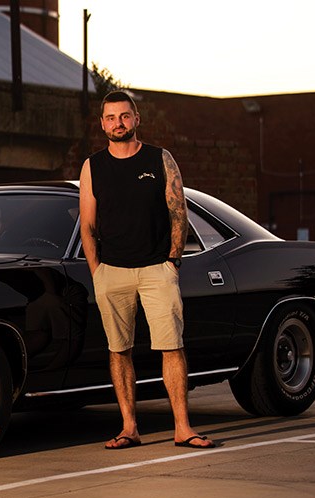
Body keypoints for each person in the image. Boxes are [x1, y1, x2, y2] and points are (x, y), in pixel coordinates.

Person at [78, 91, 215, 450]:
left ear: (136, 119)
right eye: (110, 118)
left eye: (124, 116)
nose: (117, 123)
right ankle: (129, 428)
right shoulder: (93, 166)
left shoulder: (160, 159)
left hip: (157, 269)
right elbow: (87, 226)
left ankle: (183, 428)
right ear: (102, 123)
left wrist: (172, 261)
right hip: (112, 273)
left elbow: (178, 212)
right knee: (119, 350)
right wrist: (98, 272)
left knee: (171, 347)